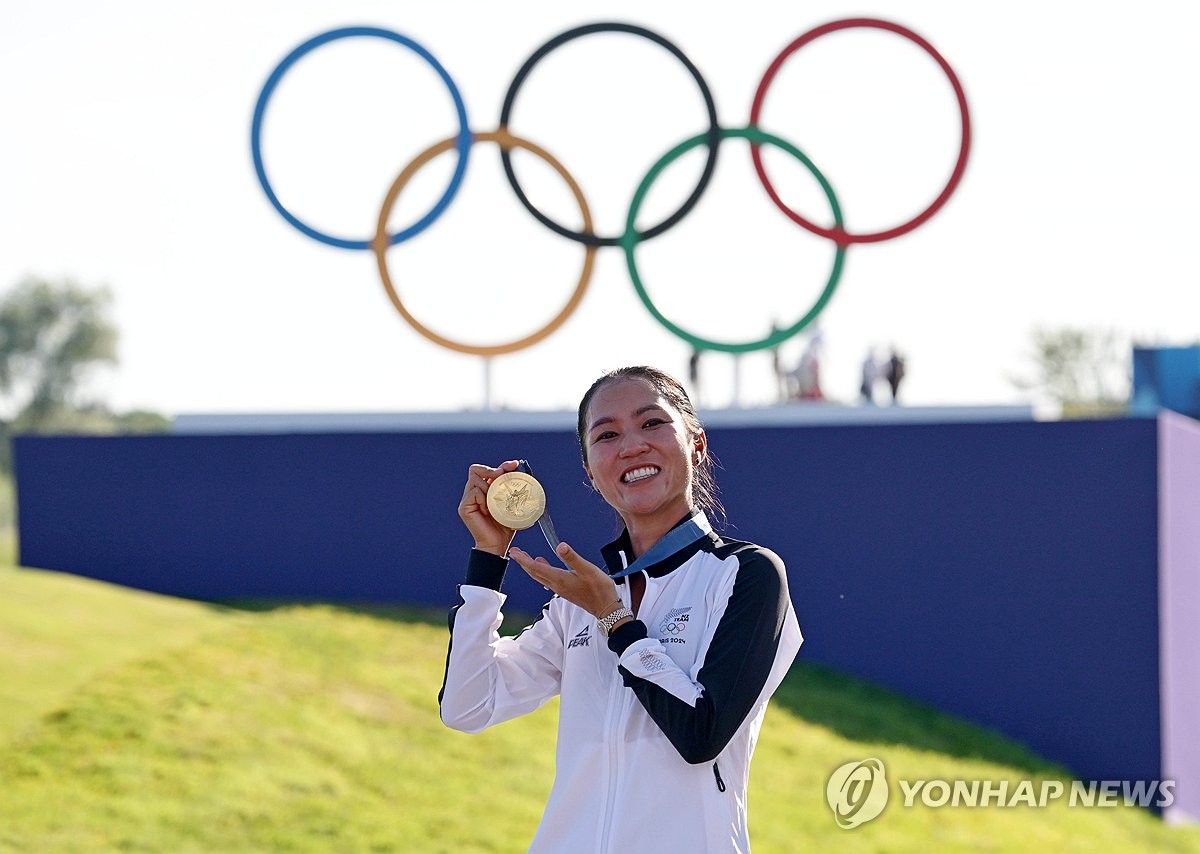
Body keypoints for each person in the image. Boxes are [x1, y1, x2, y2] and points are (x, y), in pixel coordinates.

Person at [440, 366, 803, 851]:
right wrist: (488, 559)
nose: (632, 446)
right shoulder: (581, 601)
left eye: (652, 423)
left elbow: (701, 735)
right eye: (606, 435)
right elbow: (467, 706)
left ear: (696, 443)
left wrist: (616, 621)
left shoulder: (745, 573)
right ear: (591, 472)